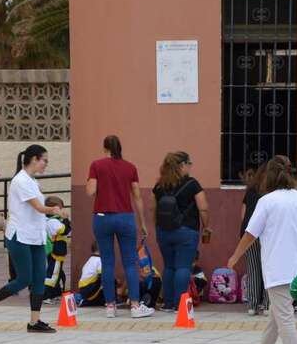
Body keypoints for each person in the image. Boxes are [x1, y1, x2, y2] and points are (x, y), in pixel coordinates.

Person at [227, 155, 297, 344]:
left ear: (268, 176)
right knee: (276, 315)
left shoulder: (266, 201)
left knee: (284, 317)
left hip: (277, 269)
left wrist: (235, 256)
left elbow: (251, 234)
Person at [0, 145, 57, 333]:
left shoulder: (32, 181)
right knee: (23, 279)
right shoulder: (20, 181)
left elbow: (37, 212)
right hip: (20, 236)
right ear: (34, 159)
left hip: (35, 237)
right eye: (44, 160)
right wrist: (54, 210)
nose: (46, 164)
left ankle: (34, 322)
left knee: (39, 278)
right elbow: (38, 207)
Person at [86, 135, 154, 319]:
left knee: (107, 262)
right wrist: (143, 223)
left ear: (104, 148)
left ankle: (110, 306)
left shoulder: (96, 165)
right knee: (130, 262)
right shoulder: (130, 167)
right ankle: (134, 306)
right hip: (125, 218)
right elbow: (137, 196)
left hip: (102, 218)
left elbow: (90, 190)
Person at [152, 151, 210, 311]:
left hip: (163, 231)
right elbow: (203, 208)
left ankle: (168, 303)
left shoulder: (159, 186)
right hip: (186, 231)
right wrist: (206, 226)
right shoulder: (192, 184)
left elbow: (155, 209)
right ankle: (181, 304)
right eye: (189, 164)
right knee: (183, 267)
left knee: (169, 266)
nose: (190, 167)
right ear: (182, 165)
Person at [241, 163, 269, 316]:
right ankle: (267, 305)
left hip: (249, 234)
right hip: (267, 236)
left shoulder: (251, 190)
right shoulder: (272, 192)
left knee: (252, 270)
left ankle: (252, 305)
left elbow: (243, 214)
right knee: (268, 269)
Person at [43, 196, 71, 302]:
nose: (62, 211)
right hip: (55, 251)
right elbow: (64, 230)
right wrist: (65, 219)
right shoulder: (52, 222)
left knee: (57, 272)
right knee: (53, 274)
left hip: (58, 251)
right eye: (60, 208)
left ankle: (54, 293)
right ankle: (45, 295)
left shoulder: (52, 220)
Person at [77, 242, 104, 307]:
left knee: (100, 301)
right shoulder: (99, 260)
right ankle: (84, 302)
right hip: (88, 289)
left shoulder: (91, 259)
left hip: (84, 288)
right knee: (106, 281)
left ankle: (95, 301)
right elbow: (102, 276)